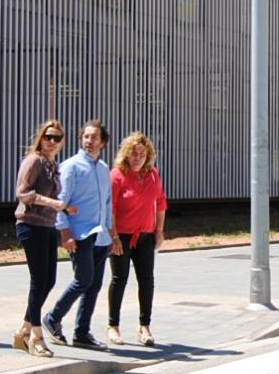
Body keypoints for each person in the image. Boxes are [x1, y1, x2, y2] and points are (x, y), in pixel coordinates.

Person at [44, 119, 113, 350]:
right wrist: (65, 234)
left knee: (94, 285)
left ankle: (82, 333)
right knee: (83, 280)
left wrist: (110, 232)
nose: (89, 141)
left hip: (100, 235)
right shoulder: (71, 166)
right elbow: (60, 202)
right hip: (80, 233)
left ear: (102, 142)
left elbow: (108, 203)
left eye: (94, 137)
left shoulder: (103, 169)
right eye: (86, 136)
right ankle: (53, 317)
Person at [12, 120, 72, 358]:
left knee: (49, 280)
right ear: (41, 138)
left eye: (57, 138)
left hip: (48, 225)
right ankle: (36, 337)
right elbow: (22, 193)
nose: (52, 142)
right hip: (30, 224)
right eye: (48, 137)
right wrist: (53, 203)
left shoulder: (52, 164)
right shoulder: (34, 161)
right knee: (38, 280)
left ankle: (24, 330)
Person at [108, 131, 169, 347]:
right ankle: (113, 326)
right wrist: (114, 236)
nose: (138, 158)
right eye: (134, 153)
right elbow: (111, 208)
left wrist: (159, 231)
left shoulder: (153, 175)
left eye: (142, 154)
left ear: (148, 156)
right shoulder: (117, 175)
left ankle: (145, 326)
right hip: (122, 236)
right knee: (119, 279)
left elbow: (161, 203)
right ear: (126, 154)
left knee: (147, 281)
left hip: (145, 235)